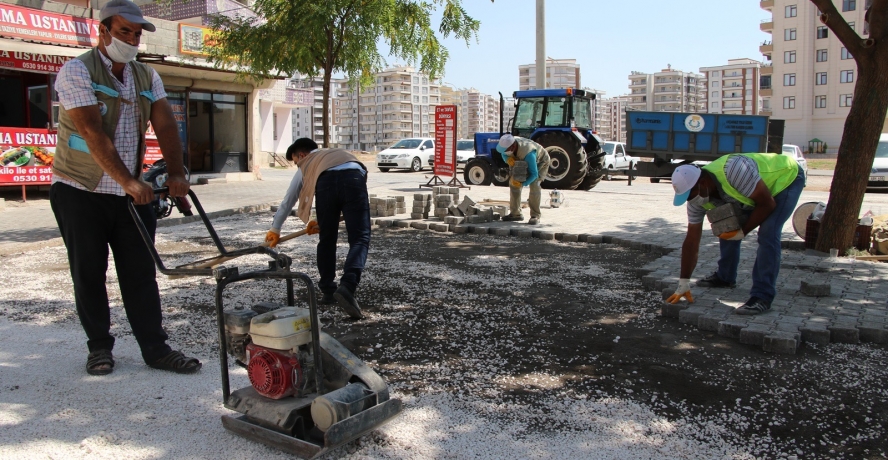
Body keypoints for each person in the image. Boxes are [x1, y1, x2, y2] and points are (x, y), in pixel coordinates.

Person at [50, 0, 201, 375]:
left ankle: (156, 349)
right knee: (88, 271)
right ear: (103, 32)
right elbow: (90, 131)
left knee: (139, 273)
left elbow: (165, 126)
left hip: (130, 196)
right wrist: (130, 181)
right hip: (79, 189)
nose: (132, 40)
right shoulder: (76, 72)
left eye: (136, 34)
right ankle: (99, 347)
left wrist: (177, 175)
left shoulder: (146, 77)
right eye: (124, 32)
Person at [666, 153, 805, 315]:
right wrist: (683, 282)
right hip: (756, 190)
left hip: (786, 178)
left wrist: (742, 232)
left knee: (768, 232)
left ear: (702, 183)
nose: (691, 200)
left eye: (690, 195)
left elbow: (767, 204)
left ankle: (762, 296)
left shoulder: (734, 171)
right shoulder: (696, 200)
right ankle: (726, 277)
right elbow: (691, 241)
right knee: (727, 225)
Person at [265, 138, 369, 320]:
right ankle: (348, 286)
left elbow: (289, 199)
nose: (298, 165)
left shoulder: (308, 162)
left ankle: (329, 290)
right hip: (354, 178)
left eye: (296, 162)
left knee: (327, 239)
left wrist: (275, 228)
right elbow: (352, 180)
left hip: (326, 184)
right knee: (359, 237)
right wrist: (319, 219)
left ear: (302, 155)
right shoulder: (338, 154)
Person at [496, 134, 551, 225]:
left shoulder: (528, 153)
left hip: (541, 162)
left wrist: (523, 184)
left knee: (534, 185)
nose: (505, 152)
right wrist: (507, 159)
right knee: (514, 183)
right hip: (521, 158)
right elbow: (503, 153)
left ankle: (535, 216)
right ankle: (516, 213)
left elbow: (534, 174)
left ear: (513, 147)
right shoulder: (508, 144)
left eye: (506, 151)